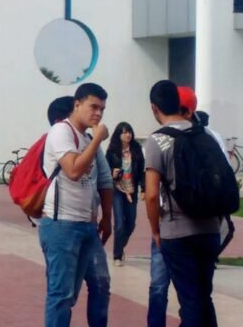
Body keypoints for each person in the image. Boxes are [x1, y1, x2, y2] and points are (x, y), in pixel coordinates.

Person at [144, 80, 221, 327]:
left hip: (176, 231)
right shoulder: (203, 134)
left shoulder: (158, 140)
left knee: (189, 301)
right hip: (210, 229)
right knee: (203, 296)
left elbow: (151, 195)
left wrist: (155, 230)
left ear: (155, 108)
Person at [38, 83, 112, 327]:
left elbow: (103, 180)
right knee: (61, 294)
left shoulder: (86, 138)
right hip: (61, 224)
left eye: (102, 109)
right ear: (77, 104)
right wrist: (98, 138)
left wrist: (106, 217)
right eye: (93, 107)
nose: (98, 114)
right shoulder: (61, 131)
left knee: (97, 283)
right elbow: (73, 171)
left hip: (86, 225)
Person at [106, 122, 145, 267]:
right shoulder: (112, 151)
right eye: (124, 132)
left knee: (131, 223)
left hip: (131, 191)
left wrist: (144, 188)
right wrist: (112, 172)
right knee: (119, 224)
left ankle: (120, 247)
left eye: (129, 132)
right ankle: (117, 256)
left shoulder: (137, 149)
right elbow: (105, 169)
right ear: (119, 135)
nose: (128, 135)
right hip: (117, 190)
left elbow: (142, 171)